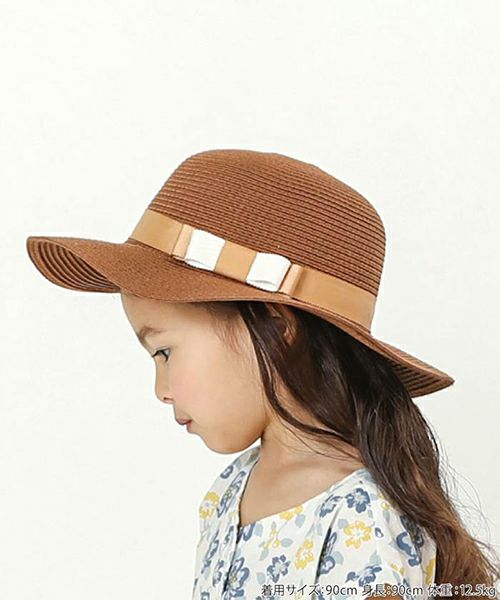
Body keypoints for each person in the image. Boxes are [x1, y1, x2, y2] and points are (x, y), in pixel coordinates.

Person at [26, 149, 499, 599]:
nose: (160, 391)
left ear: (276, 327)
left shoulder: (360, 514)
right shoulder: (230, 489)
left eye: (165, 352)